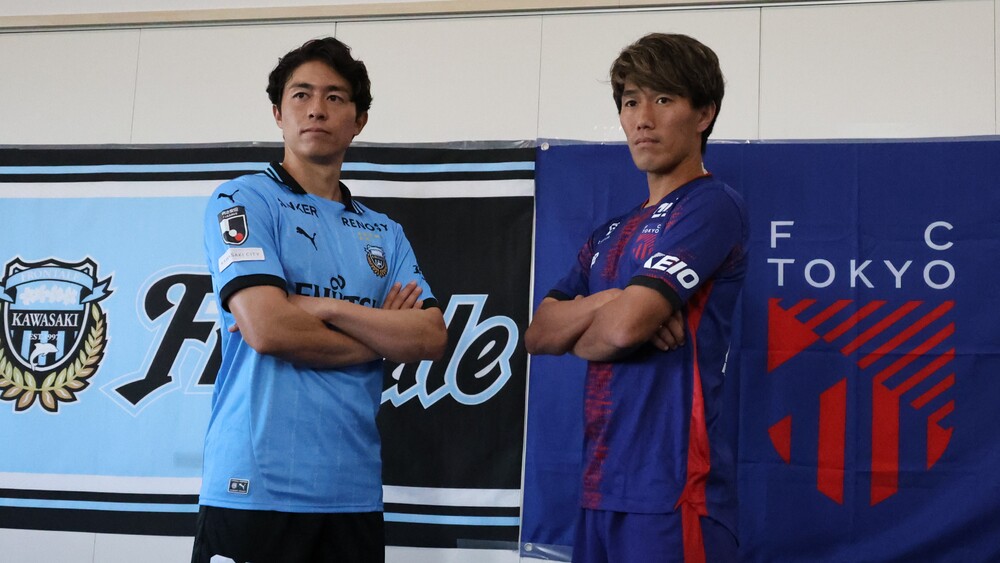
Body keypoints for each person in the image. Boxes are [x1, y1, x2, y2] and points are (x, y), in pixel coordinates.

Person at [192, 37, 447, 563]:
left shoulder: (385, 232)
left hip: (351, 494)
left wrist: (326, 308)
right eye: (301, 95)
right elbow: (268, 330)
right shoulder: (242, 199)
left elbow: (429, 337)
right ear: (278, 114)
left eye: (335, 97)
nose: (316, 109)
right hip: (254, 488)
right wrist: (379, 336)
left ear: (359, 120)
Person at [525, 33, 747, 563]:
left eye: (663, 99)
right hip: (600, 484)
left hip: (673, 490)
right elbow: (538, 333)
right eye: (630, 102)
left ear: (704, 114)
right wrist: (612, 301)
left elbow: (623, 331)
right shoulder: (610, 232)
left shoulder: (711, 205)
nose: (642, 119)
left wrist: (600, 323)